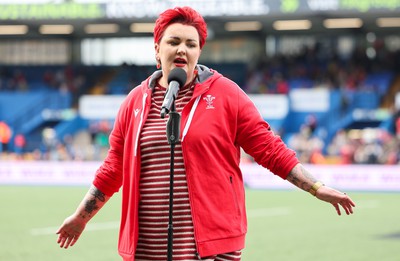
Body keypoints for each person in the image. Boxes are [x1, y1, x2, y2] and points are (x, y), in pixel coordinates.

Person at [56, 6, 356, 261]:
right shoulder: (134, 102)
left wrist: (316, 187)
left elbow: (269, 148)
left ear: (199, 51)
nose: (182, 49)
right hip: (146, 247)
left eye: (191, 43)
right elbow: (113, 168)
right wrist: (81, 218)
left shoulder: (227, 95)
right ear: (157, 49)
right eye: (173, 41)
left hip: (210, 247)